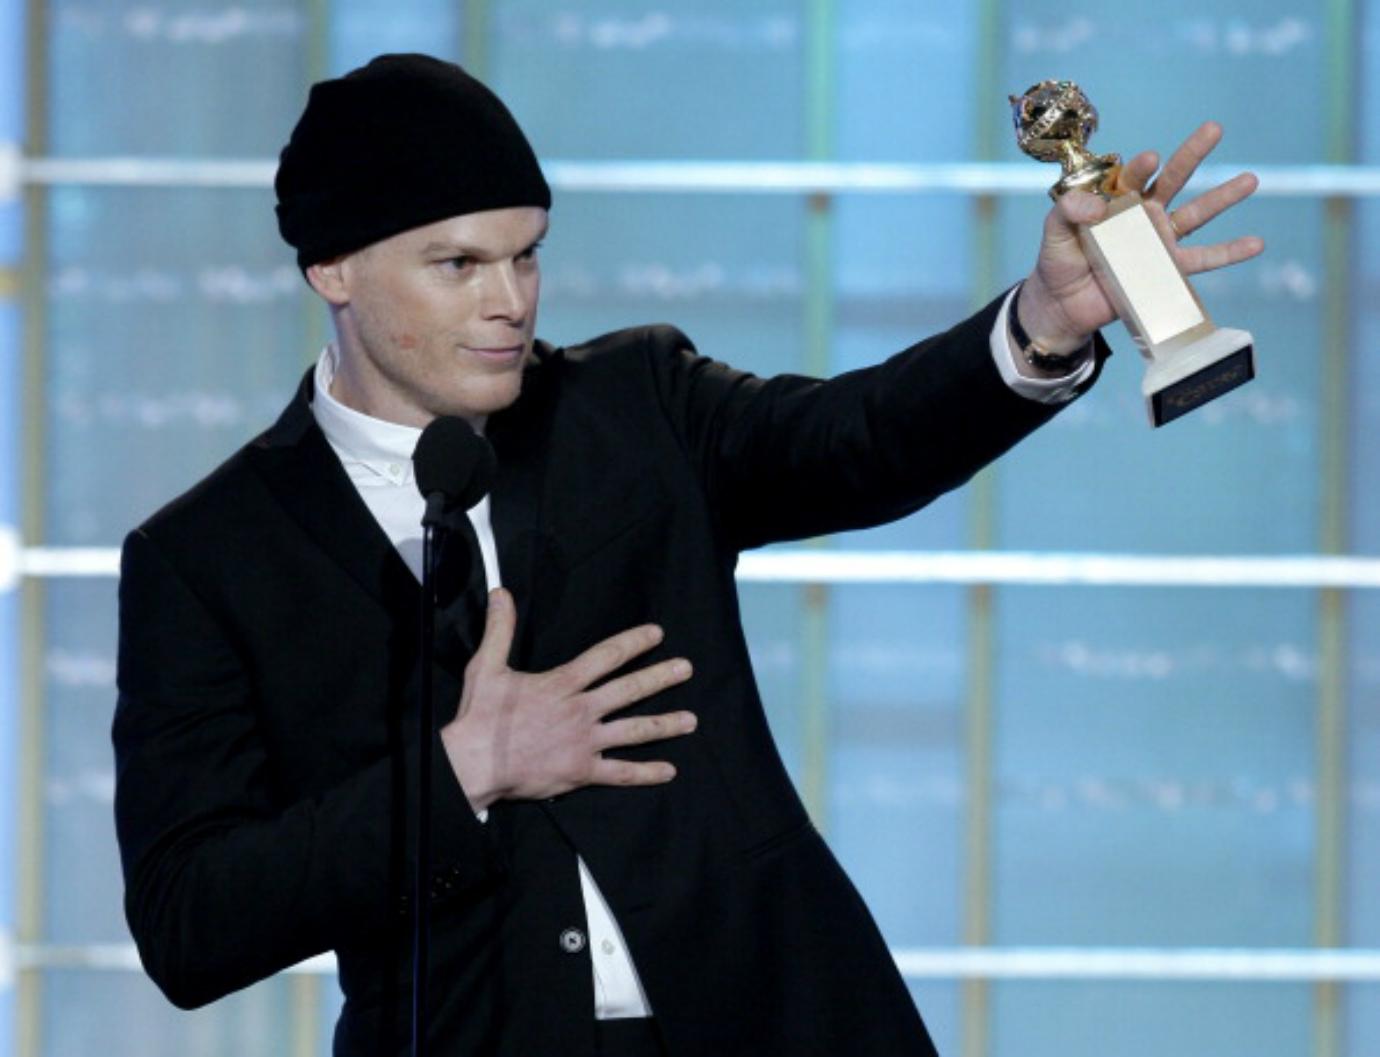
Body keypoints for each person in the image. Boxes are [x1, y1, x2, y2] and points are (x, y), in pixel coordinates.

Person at [112, 54, 1263, 1057]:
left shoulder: (631, 405)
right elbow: (189, 922)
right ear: (334, 271)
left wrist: (1045, 324)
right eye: (457, 265)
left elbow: (854, 440)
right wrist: (460, 772)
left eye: (527, 256)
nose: (510, 302)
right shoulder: (207, 557)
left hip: (781, 1020)